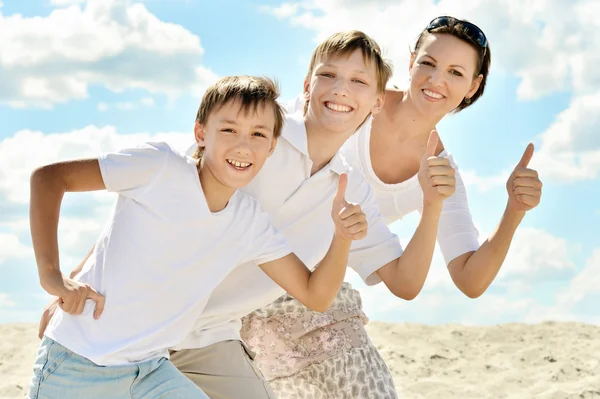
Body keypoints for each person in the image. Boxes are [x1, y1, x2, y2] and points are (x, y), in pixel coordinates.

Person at [39, 30, 459, 398]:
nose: (341, 89)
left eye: (359, 81)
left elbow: (403, 283)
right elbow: (153, 198)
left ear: (377, 103)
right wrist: (68, 280)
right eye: (329, 75)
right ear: (307, 85)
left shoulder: (351, 191)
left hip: (209, 336)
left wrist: (431, 206)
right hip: (125, 325)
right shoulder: (253, 134)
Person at [241, 16, 543, 399]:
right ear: (412, 60)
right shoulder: (348, 101)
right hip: (247, 270)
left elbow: (470, 279)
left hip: (317, 292)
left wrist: (514, 211)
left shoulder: (440, 173)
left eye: (455, 72)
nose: (436, 80)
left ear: (473, 87)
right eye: (428, 64)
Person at [27, 75, 369, 399]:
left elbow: (315, 295)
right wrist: (52, 276)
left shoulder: (248, 222)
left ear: (272, 147)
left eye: (258, 135)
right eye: (229, 129)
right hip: (77, 363)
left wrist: (341, 238)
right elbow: (49, 179)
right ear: (201, 132)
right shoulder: (159, 167)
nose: (243, 146)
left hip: (150, 372)